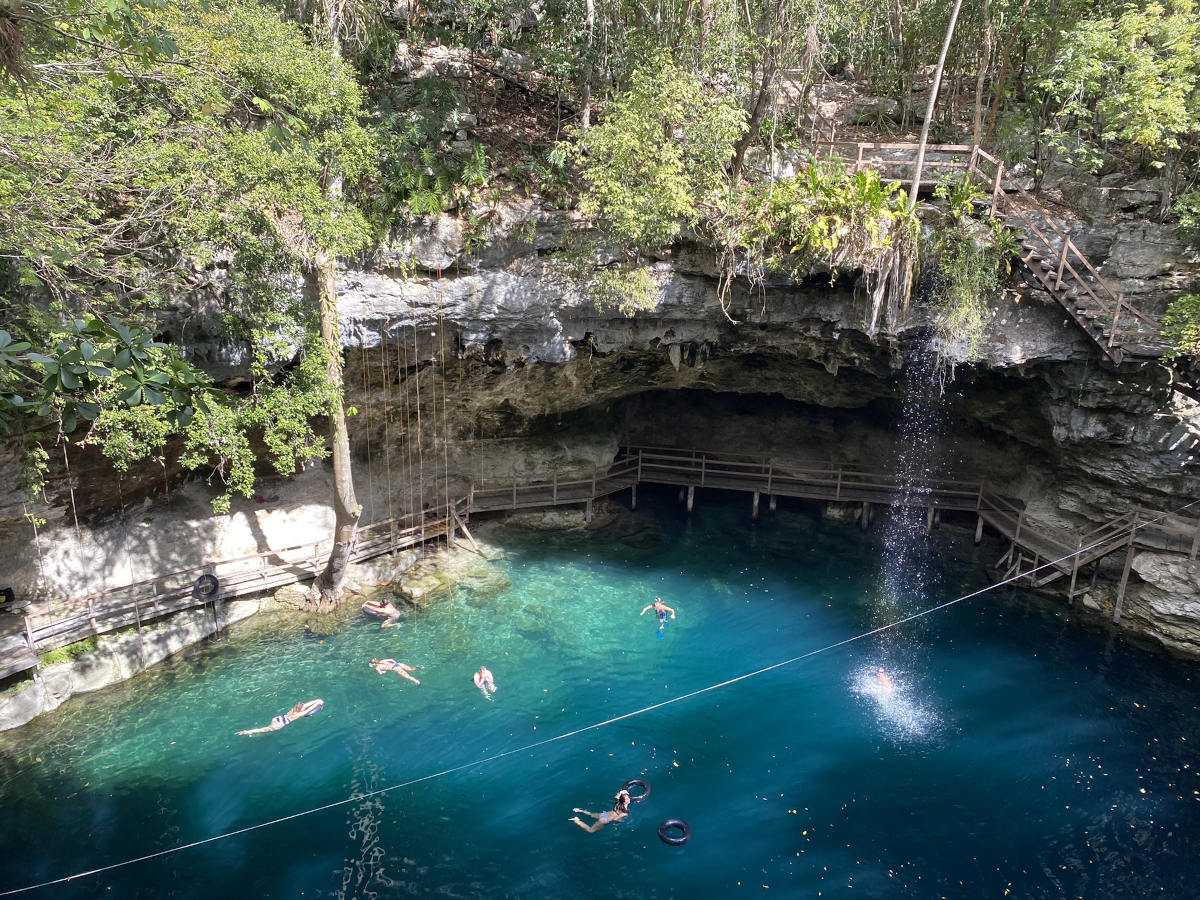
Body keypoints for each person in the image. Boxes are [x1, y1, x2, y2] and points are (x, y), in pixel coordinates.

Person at [237, 698, 324, 736]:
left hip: (277, 718)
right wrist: (318, 703)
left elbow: (305, 705)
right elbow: (308, 710)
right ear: (301, 709)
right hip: (279, 724)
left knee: (263, 728)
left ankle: (247, 732)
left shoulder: (293, 709)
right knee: (262, 730)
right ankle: (247, 732)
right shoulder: (298, 714)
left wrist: (317, 700)